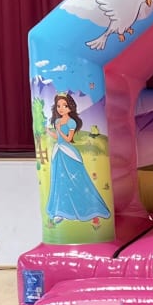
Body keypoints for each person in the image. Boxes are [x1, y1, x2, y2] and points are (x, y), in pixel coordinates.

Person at [44, 92, 111, 228]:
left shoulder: (71, 122)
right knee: (59, 182)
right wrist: (49, 132)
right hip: (58, 153)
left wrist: (59, 130)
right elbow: (58, 137)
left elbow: (68, 139)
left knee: (77, 181)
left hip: (68, 153)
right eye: (58, 106)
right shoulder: (57, 121)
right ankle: (61, 211)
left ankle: (89, 209)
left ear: (70, 107)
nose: (61, 108)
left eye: (64, 105)